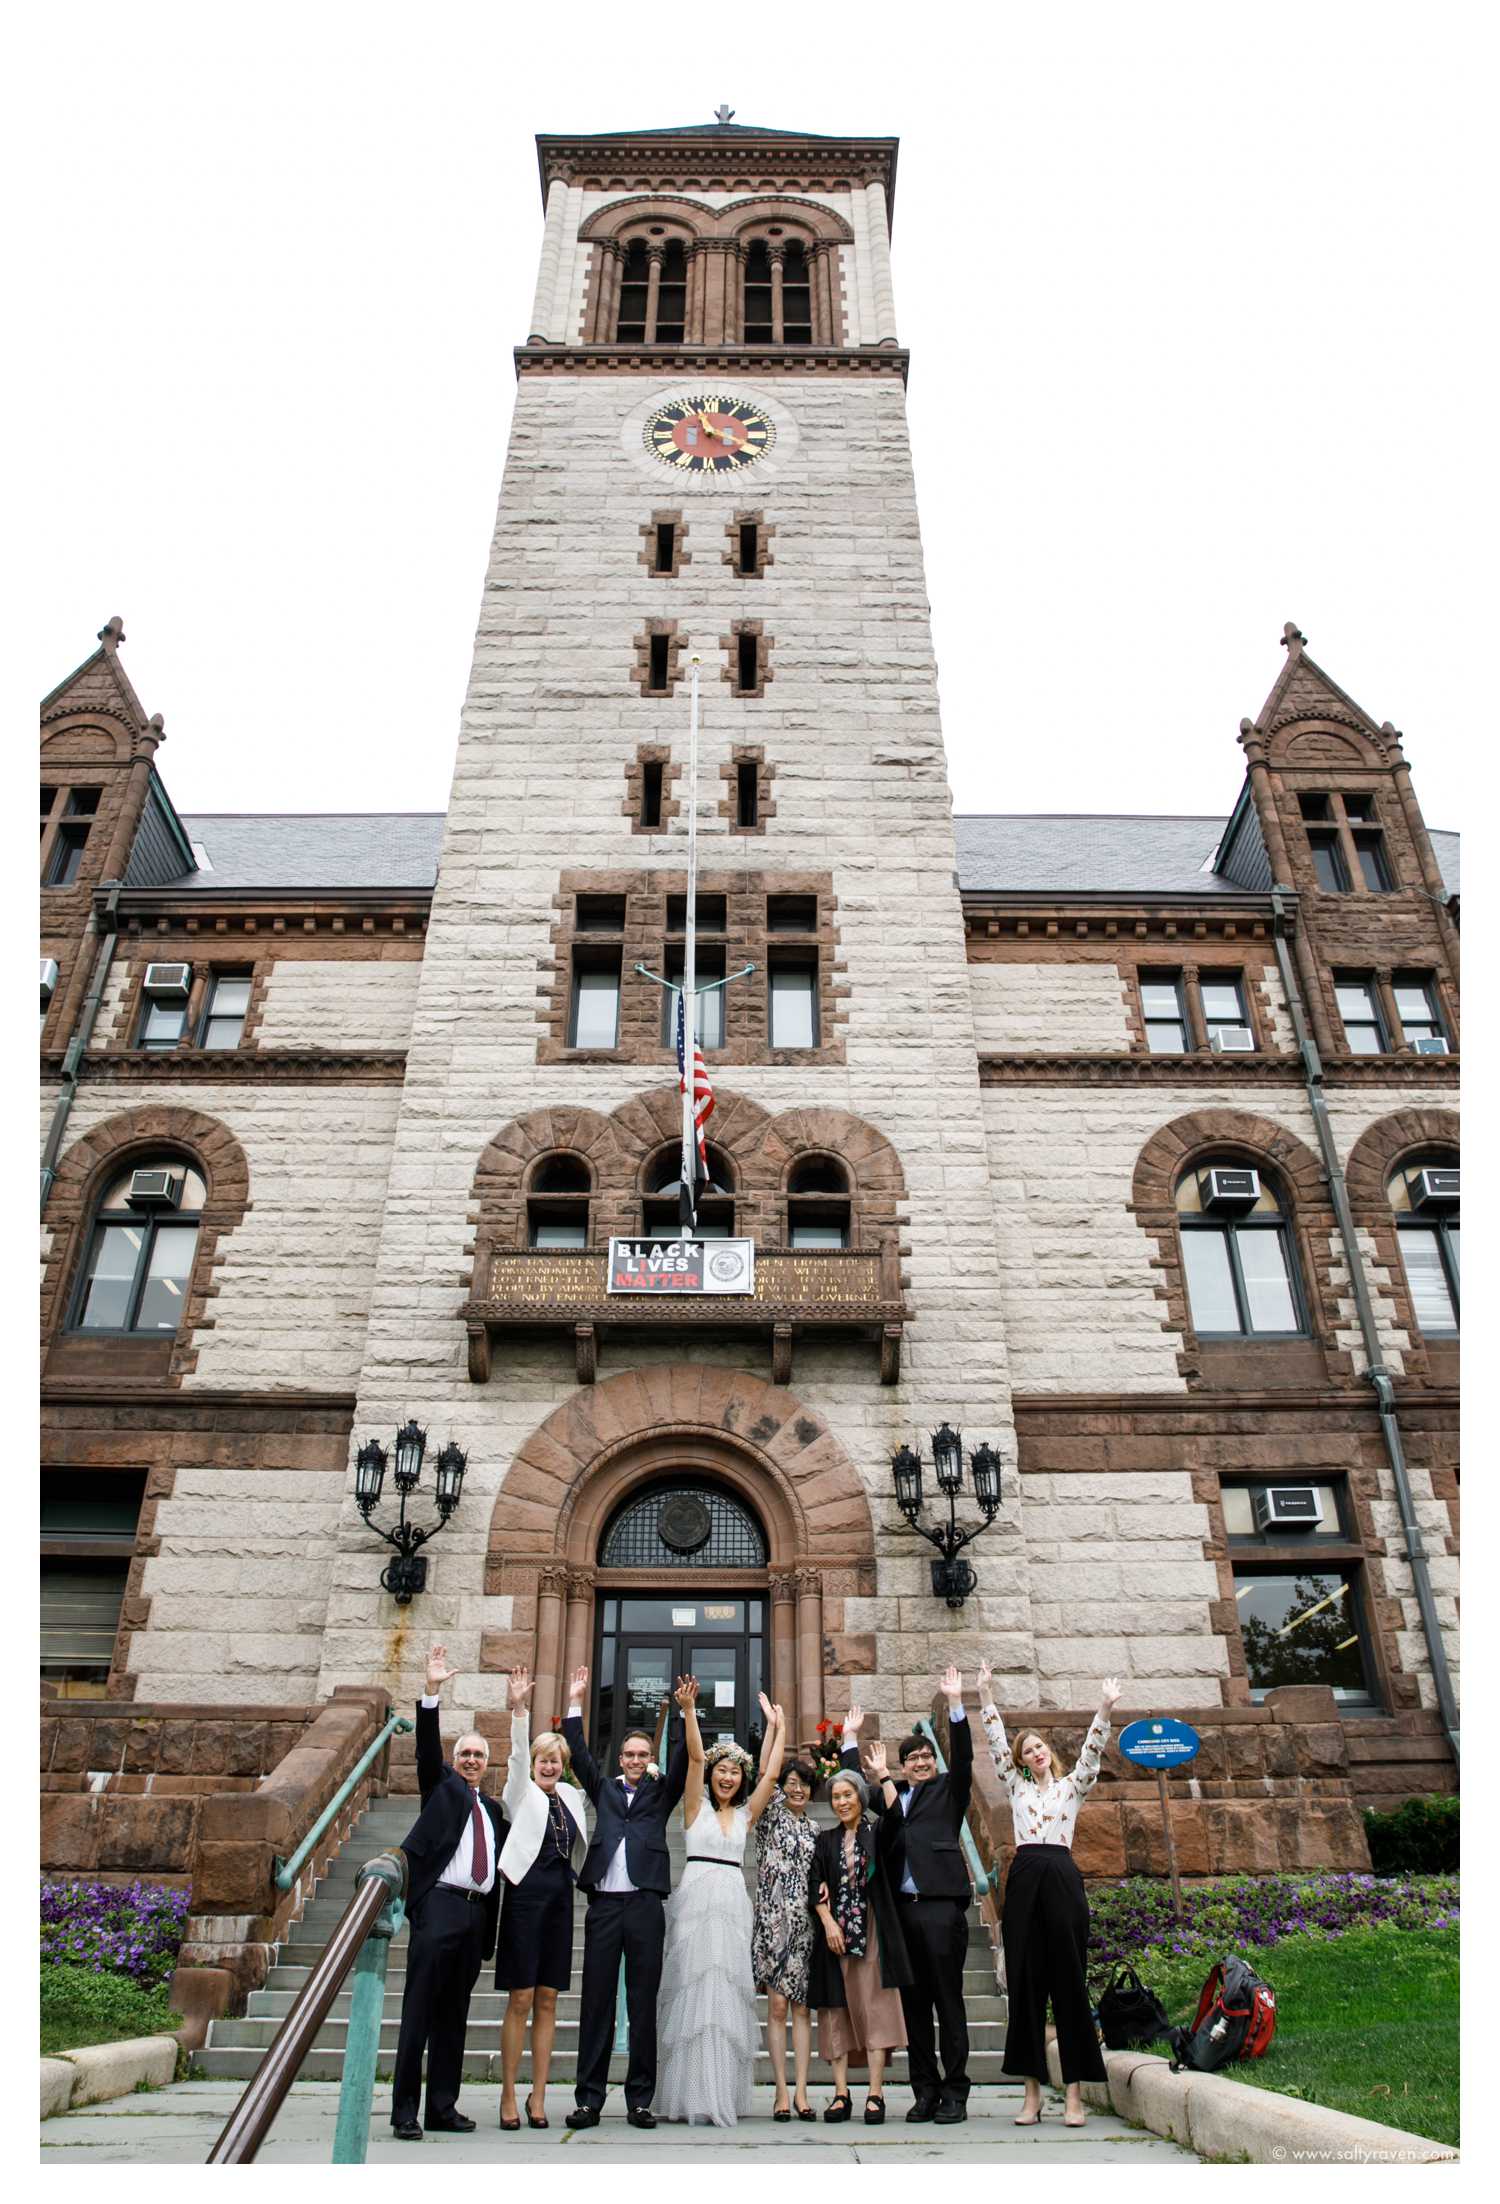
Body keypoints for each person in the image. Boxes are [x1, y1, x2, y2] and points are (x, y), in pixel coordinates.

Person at [978, 1664, 1120, 2127]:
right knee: (1025, 1986)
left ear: (1048, 1753)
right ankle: (1031, 2095)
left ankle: (1074, 2095)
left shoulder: (1071, 1787)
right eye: (1027, 1751)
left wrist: (1104, 1707)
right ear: (1020, 1762)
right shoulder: (1016, 1785)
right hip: (1024, 1877)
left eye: (1038, 1747)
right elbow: (997, 1745)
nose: (1034, 1753)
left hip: (1060, 1874)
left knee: (1069, 1983)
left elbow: (1092, 1753)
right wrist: (985, 1697)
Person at [842, 1665, 973, 2123]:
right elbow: (852, 1791)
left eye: (925, 1757)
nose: (919, 1762)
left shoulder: (949, 1793)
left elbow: (967, 1758)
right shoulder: (891, 1794)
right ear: (902, 1766)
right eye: (911, 1758)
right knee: (914, 2008)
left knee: (948, 2003)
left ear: (934, 1762)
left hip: (940, 1910)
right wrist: (849, 1738)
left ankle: (956, 2091)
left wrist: (956, 1704)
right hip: (902, 1916)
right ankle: (925, 2091)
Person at [390, 1641, 508, 2141]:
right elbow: (425, 1753)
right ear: (455, 1760)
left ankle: (443, 2105)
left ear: (488, 1762)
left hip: (475, 1916)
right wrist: (431, 1692)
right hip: (438, 1906)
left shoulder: (493, 1812)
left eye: (479, 1755)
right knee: (419, 2010)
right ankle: (404, 2113)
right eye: (465, 1754)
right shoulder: (442, 1789)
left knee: (453, 2018)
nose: (472, 1760)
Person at [656, 1675, 786, 2126]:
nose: (728, 1777)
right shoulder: (694, 1808)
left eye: (734, 1772)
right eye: (721, 1771)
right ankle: (691, 2094)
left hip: (731, 1901)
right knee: (695, 1991)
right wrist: (690, 1711)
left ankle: (720, 2094)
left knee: (725, 1993)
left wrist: (775, 1728)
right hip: (697, 1896)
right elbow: (694, 1755)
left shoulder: (747, 1815)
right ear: (712, 1776)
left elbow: (771, 1773)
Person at [562, 1662, 687, 2130]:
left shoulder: (661, 1793)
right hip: (605, 1908)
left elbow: (683, 1762)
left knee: (642, 2002)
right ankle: (589, 2099)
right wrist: (575, 1702)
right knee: (596, 2002)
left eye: (643, 1754)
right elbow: (576, 1753)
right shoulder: (604, 1789)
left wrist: (682, 1714)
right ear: (620, 1759)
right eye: (630, 1755)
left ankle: (640, 2100)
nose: (636, 1761)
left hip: (645, 1908)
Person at [494, 1665, 588, 2131]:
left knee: (548, 1998)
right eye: (542, 1759)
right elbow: (513, 1758)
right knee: (521, 1997)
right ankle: (509, 2093)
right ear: (534, 1764)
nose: (549, 1766)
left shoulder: (571, 1796)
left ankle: (538, 2096)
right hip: (524, 1898)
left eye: (556, 1760)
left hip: (559, 1901)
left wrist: (576, 1704)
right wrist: (518, 1710)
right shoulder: (521, 1793)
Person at [807, 1754, 911, 2124]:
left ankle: (876, 2093)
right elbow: (815, 1884)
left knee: (875, 2007)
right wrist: (828, 1922)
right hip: (835, 1936)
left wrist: (883, 1774)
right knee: (836, 2010)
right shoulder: (825, 1839)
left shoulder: (876, 1833)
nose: (842, 1802)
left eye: (848, 1794)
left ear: (860, 1798)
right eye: (836, 1796)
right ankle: (839, 2094)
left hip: (871, 1930)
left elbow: (897, 1817)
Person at [749, 1699, 818, 2121]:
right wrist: (777, 1727)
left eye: (803, 1785)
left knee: (802, 2009)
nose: (795, 1789)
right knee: (777, 2009)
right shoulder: (771, 1815)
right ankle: (779, 2091)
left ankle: (804, 2091)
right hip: (771, 1924)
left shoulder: (816, 1830)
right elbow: (764, 1773)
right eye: (791, 1783)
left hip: (805, 1927)